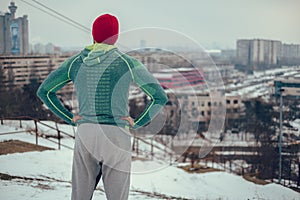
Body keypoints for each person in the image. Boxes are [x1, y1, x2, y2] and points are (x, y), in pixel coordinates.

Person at [37, 13, 168, 200]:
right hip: (116, 135)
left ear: (93, 35)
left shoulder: (75, 62)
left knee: (80, 196)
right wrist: (138, 122)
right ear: (115, 37)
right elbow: (159, 96)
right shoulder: (127, 62)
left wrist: (68, 117)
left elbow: (44, 91)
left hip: (86, 132)